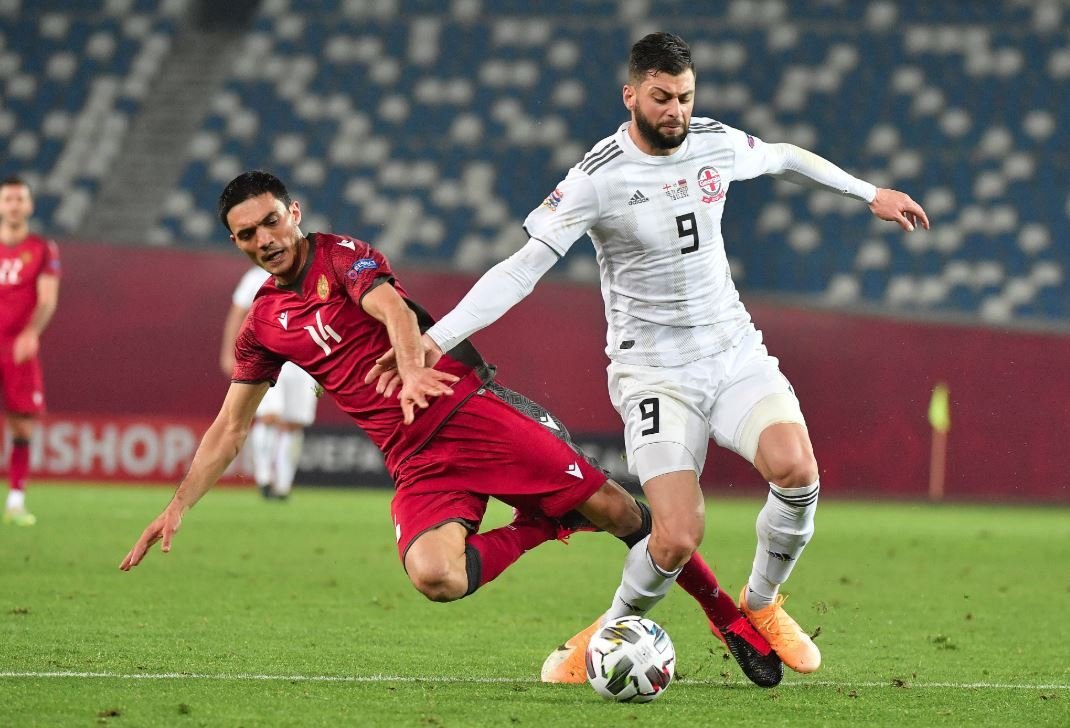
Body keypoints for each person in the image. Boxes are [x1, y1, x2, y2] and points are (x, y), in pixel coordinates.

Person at [368, 32, 930, 678]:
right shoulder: (597, 177)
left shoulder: (715, 141)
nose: (676, 111)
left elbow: (781, 157)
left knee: (797, 471)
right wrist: (435, 339)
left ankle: (762, 603)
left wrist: (869, 193)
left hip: (733, 350)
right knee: (677, 537)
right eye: (662, 98)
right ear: (631, 95)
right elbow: (521, 270)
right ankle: (607, 633)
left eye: (685, 97)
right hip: (655, 373)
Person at [120, 171, 785, 688]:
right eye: (247, 234)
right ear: (235, 243)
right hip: (414, 458)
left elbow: (393, 311)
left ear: (293, 213)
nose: (265, 239)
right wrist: (178, 505)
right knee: (436, 577)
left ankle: (729, 620)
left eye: (271, 221)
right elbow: (230, 427)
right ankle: (543, 525)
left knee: (620, 512)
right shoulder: (264, 323)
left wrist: (412, 371)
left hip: (470, 413)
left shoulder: (342, 255)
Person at [221, 266, 320, 499]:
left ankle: (283, 485)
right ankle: (264, 478)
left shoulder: (315, 273)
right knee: (270, 416)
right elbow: (238, 313)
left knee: (294, 422)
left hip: (305, 358)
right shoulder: (256, 277)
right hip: (267, 354)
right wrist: (228, 353)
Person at [0, 177, 61, 527]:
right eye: (8, 199)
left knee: (21, 423)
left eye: (19, 199)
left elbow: (48, 299)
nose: (13, 205)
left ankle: (15, 500)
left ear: (29, 206)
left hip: (17, 347)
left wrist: (31, 332)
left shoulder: (41, 249)